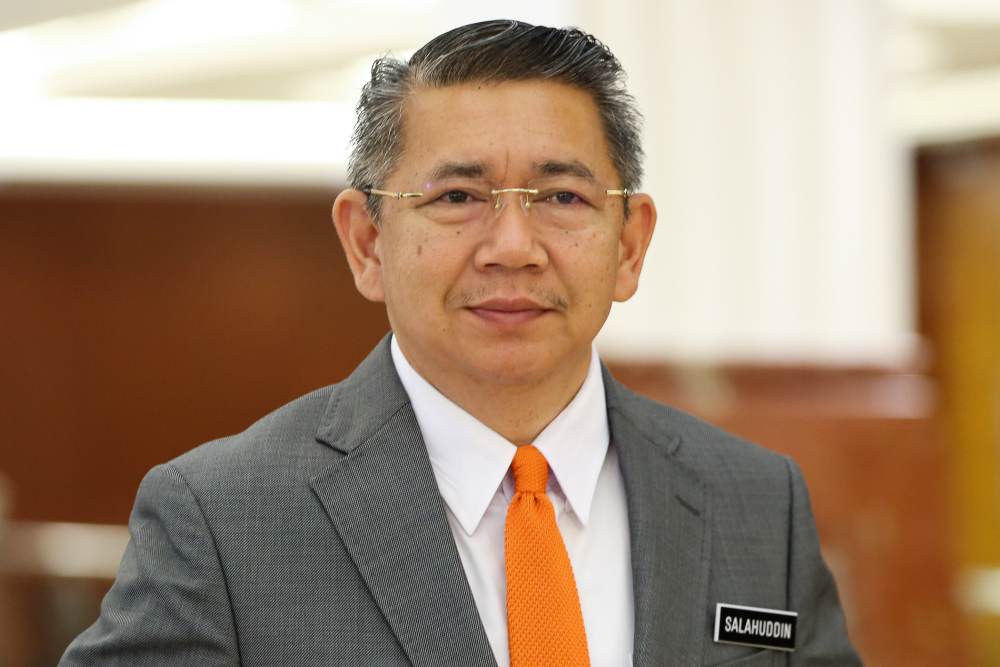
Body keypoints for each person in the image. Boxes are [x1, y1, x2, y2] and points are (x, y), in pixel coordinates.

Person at [61, 19, 860, 666]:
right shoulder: (225, 523)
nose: (513, 244)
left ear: (629, 245)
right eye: (457, 195)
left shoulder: (757, 504)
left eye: (562, 194)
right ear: (367, 242)